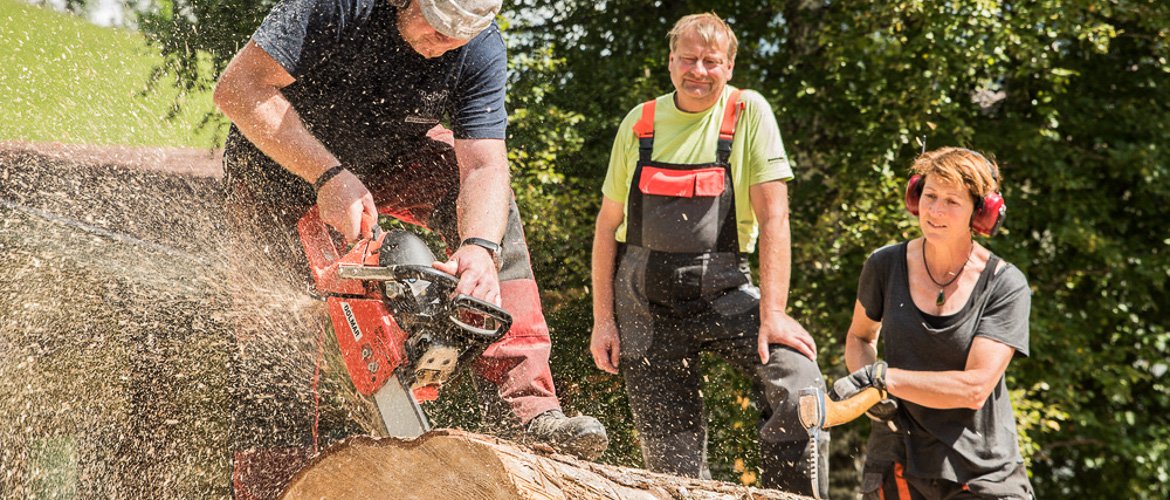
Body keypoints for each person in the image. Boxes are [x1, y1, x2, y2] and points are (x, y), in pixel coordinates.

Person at [213, 0, 607, 494]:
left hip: (392, 152)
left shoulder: (480, 48)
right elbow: (238, 88)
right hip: (280, 160)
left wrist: (480, 247)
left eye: (463, 32)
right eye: (439, 25)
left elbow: (485, 166)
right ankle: (270, 483)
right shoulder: (332, 8)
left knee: (492, 209)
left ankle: (528, 408)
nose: (448, 41)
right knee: (271, 334)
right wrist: (328, 175)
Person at [589, 12, 828, 497]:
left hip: (725, 291)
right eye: (688, 59)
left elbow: (775, 216)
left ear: (730, 66)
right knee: (672, 472)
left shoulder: (747, 112)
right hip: (643, 305)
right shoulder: (640, 122)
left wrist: (774, 314)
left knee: (798, 382)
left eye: (711, 61)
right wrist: (603, 320)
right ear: (671, 62)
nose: (698, 70)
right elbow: (606, 228)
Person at [833, 147, 1033, 498]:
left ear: (980, 211)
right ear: (915, 197)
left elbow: (974, 388)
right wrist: (873, 394)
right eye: (930, 196)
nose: (935, 210)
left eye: (952, 201)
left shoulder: (1004, 284)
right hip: (897, 457)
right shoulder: (884, 265)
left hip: (979, 469)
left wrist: (886, 379)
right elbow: (860, 337)